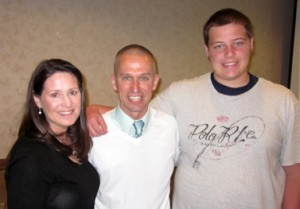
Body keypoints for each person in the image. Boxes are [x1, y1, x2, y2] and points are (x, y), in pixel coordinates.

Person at [86, 8, 300, 209]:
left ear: (251, 44)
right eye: (219, 46)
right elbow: (136, 109)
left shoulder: (284, 101)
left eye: (238, 43)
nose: (229, 54)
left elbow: (294, 173)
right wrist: (93, 110)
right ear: (207, 50)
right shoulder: (180, 95)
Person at [88, 44, 179, 209]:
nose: (135, 88)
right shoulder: (92, 132)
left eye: (144, 78)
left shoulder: (170, 127)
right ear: (114, 82)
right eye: (127, 78)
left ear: (155, 82)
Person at [5, 59, 100, 209]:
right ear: (38, 100)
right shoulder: (31, 155)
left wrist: (96, 109)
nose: (68, 103)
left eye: (73, 92)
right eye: (55, 94)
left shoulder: (73, 141)